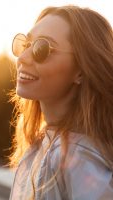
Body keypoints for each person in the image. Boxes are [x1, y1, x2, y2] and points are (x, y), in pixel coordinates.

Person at [9, 5, 113, 200]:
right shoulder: (47, 142)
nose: (22, 58)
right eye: (26, 45)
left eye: (42, 48)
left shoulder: (78, 156)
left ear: (81, 70)